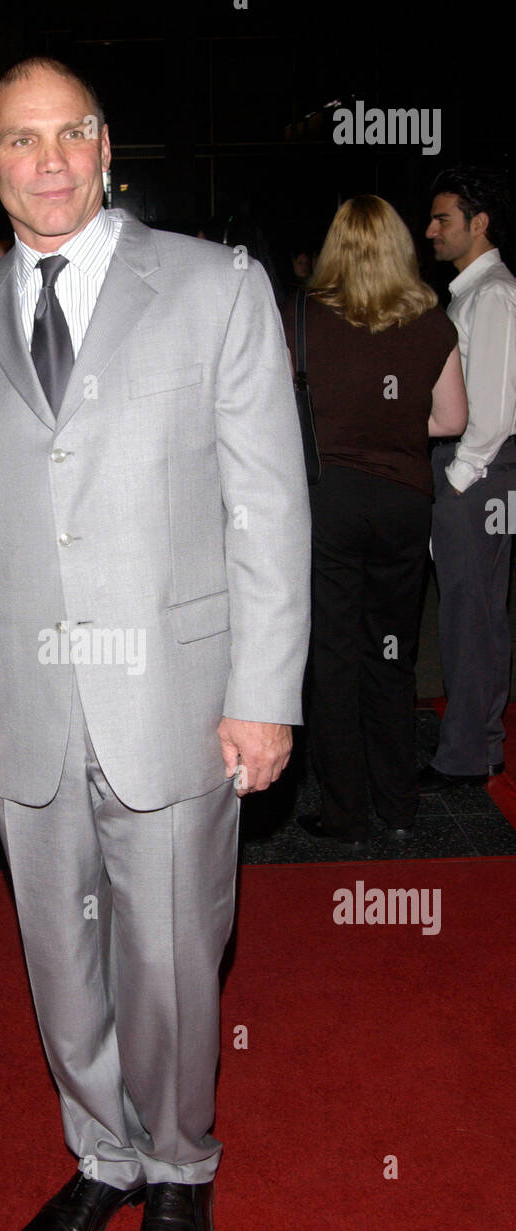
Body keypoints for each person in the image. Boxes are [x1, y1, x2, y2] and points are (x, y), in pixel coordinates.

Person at [0, 56, 310, 1231]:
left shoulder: (214, 285)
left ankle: (181, 1160)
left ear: (103, 144)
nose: (47, 161)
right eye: (18, 141)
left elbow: (268, 506)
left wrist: (264, 693)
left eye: (68, 133)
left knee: (175, 951)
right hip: (23, 695)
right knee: (57, 951)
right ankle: (104, 1155)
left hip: (177, 699)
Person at [281, 195, 467, 846]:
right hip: (402, 503)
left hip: (327, 501)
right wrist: (388, 428)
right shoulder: (429, 321)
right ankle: (398, 806)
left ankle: (346, 812)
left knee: (332, 656)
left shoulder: (298, 316)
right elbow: (449, 421)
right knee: (390, 653)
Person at [420, 167, 516, 791]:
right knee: (473, 612)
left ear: (478, 224)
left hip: (479, 473)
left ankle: (468, 754)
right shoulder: (471, 292)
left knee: (470, 614)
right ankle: (476, 742)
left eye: (443, 220)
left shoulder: (494, 295)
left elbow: (496, 410)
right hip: (476, 473)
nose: (430, 231)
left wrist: (457, 479)